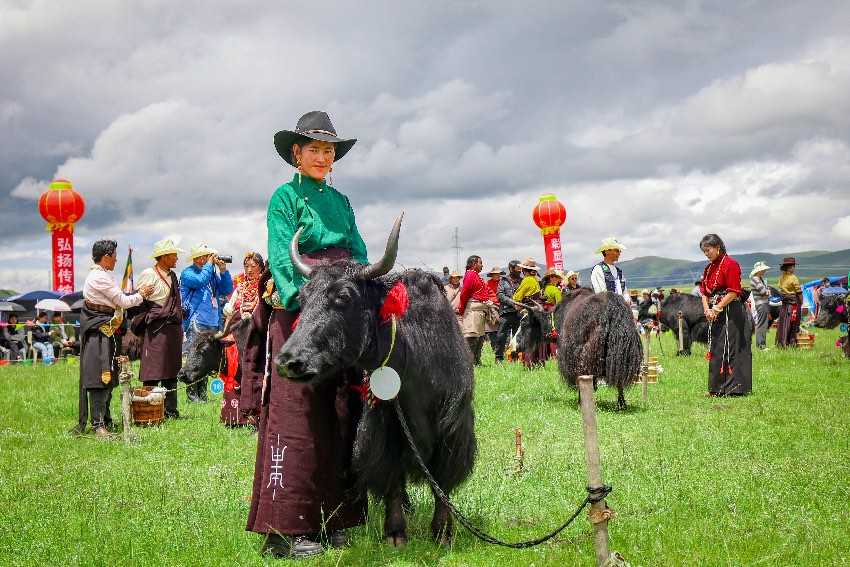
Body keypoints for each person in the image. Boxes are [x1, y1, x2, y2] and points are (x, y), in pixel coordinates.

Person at [244, 110, 368, 559]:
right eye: (313, 149)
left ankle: (336, 516)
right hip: (301, 312)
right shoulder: (283, 198)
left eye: (328, 150)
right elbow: (282, 257)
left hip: (339, 312)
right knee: (298, 416)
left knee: (341, 409)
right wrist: (311, 302)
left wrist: (356, 297)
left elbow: (358, 252)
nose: (322, 156)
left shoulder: (343, 202)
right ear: (296, 154)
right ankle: (292, 526)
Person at [72, 239, 153, 437]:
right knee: (101, 377)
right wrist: (141, 293)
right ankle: (97, 424)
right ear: (106, 257)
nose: (117, 260)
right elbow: (123, 301)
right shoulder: (99, 278)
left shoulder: (104, 276)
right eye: (115, 257)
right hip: (100, 333)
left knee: (109, 376)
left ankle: (105, 419)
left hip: (107, 332)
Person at [134, 239, 185, 419]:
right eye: (173, 255)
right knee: (153, 369)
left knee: (172, 368)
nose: (177, 258)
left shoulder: (172, 276)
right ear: (164, 257)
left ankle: (171, 410)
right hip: (156, 326)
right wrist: (146, 321)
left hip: (173, 328)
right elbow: (139, 303)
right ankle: (149, 407)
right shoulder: (149, 274)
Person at [180, 242, 234, 402]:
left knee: (206, 359)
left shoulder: (211, 275)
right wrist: (210, 265)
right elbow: (199, 281)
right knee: (194, 357)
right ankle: (192, 395)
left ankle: (202, 394)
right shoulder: (187, 273)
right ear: (197, 258)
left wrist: (223, 272)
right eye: (206, 256)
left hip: (212, 322)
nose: (209, 258)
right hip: (197, 323)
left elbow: (227, 289)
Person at [699, 234, 751, 396]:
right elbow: (704, 293)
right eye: (704, 251)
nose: (706, 254)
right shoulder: (708, 269)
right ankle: (716, 388)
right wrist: (707, 309)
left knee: (732, 347)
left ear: (718, 247)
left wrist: (717, 308)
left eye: (708, 250)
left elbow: (734, 292)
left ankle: (735, 388)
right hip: (716, 311)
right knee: (717, 347)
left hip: (732, 312)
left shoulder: (731, 264)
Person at [220, 251, 264, 427]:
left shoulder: (264, 287)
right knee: (234, 366)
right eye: (246, 266)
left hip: (257, 334)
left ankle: (255, 414)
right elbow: (229, 310)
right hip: (239, 333)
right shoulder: (240, 287)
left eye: (253, 266)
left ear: (260, 268)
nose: (249, 269)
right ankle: (234, 415)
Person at [513, 257, 547, 369]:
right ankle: (538, 362)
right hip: (537, 311)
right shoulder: (536, 280)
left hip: (529, 311)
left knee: (528, 335)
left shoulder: (527, 280)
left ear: (524, 270)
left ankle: (529, 363)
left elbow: (517, 296)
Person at [457, 255, 490, 366]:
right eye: (480, 263)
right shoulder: (470, 274)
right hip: (473, 310)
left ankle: (476, 361)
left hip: (480, 310)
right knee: (472, 336)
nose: (482, 265)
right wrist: (461, 308)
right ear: (474, 264)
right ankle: (467, 363)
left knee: (479, 337)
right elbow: (465, 293)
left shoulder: (475, 275)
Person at [495, 260, 522, 363]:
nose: (519, 271)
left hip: (518, 313)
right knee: (501, 336)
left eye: (520, 269)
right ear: (511, 269)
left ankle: (515, 358)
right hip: (506, 312)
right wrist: (512, 303)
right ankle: (498, 358)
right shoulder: (504, 281)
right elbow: (500, 295)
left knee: (516, 337)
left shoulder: (522, 281)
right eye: (517, 268)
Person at [590, 237, 630, 304]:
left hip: (621, 308)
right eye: (616, 250)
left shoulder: (618, 271)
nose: (619, 253)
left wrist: (626, 302)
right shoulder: (598, 269)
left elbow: (624, 291)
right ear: (607, 251)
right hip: (606, 309)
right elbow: (601, 294)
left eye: (619, 251)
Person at [775, 257, 803, 348]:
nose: (794, 268)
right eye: (793, 267)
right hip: (793, 303)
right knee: (793, 322)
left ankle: (782, 342)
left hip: (784, 304)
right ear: (789, 267)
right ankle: (791, 342)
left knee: (783, 322)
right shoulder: (793, 278)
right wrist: (801, 301)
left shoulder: (781, 278)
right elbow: (798, 291)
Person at [749, 261, 771, 350]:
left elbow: (766, 292)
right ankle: (761, 345)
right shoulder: (756, 279)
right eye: (763, 270)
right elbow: (764, 292)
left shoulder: (759, 279)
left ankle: (761, 344)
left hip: (762, 303)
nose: (764, 271)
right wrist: (767, 291)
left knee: (762, 324)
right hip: (761, 304)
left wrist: (767, 292)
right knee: (762, 324)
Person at [483, 267, 504, 349]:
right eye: (496, 274)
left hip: (503, 306)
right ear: (492, 275)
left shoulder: (503, 283)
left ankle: (503, 347)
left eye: (499, 274)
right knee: (493, 329)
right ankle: (494, 347)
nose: (498, 275)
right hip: (492, 307)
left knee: (502, 328)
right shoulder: (487, 284)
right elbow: (484, 295)